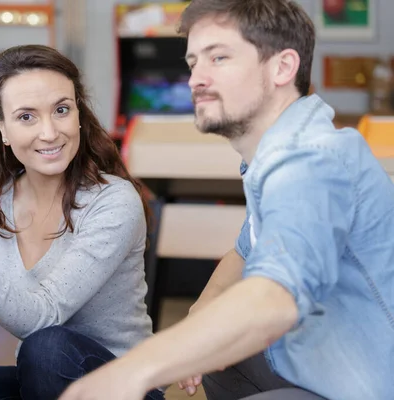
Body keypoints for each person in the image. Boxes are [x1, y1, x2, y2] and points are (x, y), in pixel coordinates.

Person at [59, 1, 394, 399]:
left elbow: (274, 297)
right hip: (319, 360)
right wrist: (197, 324)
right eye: (193, 62)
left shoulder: (310, 162)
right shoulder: (278, 153)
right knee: (221, 361)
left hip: (368, 381)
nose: (196, 79)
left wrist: (137, 368)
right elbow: (244, 250)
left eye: (219, 57)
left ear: (282, 68)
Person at [0, 44, 165, 400]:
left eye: (61, 110)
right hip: (44, 384)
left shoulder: (114, 200)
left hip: (127, 387)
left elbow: (44, 317)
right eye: (26, 117)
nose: (49, 132)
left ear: (78, 113)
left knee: (48, 348)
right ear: (1, 127)